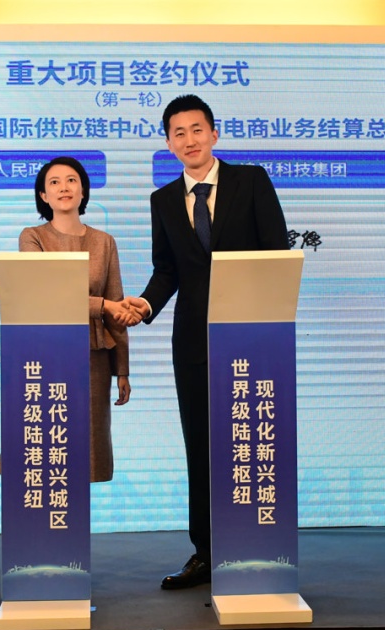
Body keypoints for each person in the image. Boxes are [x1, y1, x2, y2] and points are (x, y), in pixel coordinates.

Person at [119, 95, 289, 589]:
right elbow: (167, 271)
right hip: (193, 341)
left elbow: (276, 254)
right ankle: (206, 552)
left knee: (254, 442)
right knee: (201, 445)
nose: (189, 140)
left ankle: (259, 545)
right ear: (168, 143)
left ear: (214, 133)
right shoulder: (163, 201)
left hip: (253, 338)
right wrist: (144, 305)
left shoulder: (251, 182)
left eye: (197, 129)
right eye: (179, 133)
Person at [19, 156, 132, 483]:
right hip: (47, 354)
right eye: (54, 182)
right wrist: (103, 306)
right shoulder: (32, 237)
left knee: (87, 452)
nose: (63, 187)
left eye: (71, 180)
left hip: (94, 357)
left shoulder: (105, 242)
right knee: (44, 449)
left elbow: (117, 309)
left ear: (83, 191)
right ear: (43, 195)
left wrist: (122, 369)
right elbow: (46, 293)